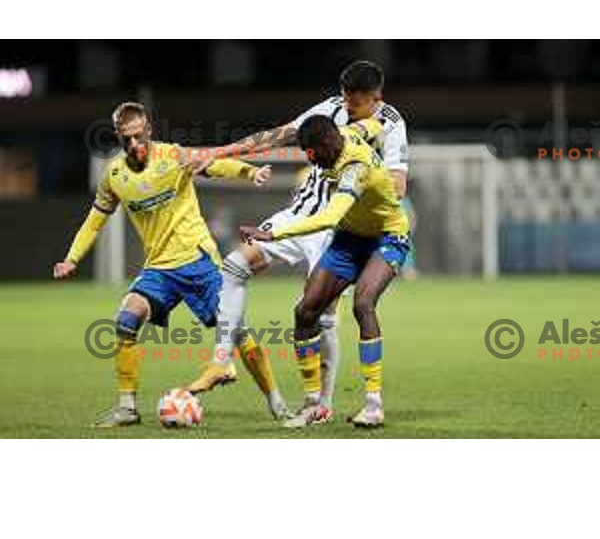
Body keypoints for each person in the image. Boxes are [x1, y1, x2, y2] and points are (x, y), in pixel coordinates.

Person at [188, 60, 409, 423]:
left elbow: (397, 187)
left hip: (342, 222)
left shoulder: (391, 125)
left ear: (376, 97)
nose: (346, 106)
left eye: (355, 102)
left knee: (325, 311)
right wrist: (220, 152)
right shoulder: (333, 109)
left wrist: (357, 175)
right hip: (303, 212)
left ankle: (323, 403)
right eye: (344, 98)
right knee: (235, 265)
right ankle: (223, 361)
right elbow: (281, 134)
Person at [53, 102, 272, 427]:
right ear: (118, 136)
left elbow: (212, 165)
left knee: (237, 332)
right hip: (159, 268)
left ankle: (276, 403)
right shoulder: (113, 175)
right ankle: (127, 408)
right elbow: (95, 221)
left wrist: (250, 172)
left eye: (139, 136)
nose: (134, 144)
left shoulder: (172, 156)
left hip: (197, 260)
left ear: (150, 131)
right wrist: (71, 258)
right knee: (126, 319)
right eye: (126, 138)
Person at [240, 115, 411, 428]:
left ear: (326, 144)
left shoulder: (354, 169)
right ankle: (313, 405)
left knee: (363, 303)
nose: (310, 159)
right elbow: (375, 124)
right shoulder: (343, 132)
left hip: (386, 235)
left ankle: (373, 403)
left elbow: (331, 216)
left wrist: (274, 234)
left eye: (311, 152)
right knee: (305, 312)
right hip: (349, 239)